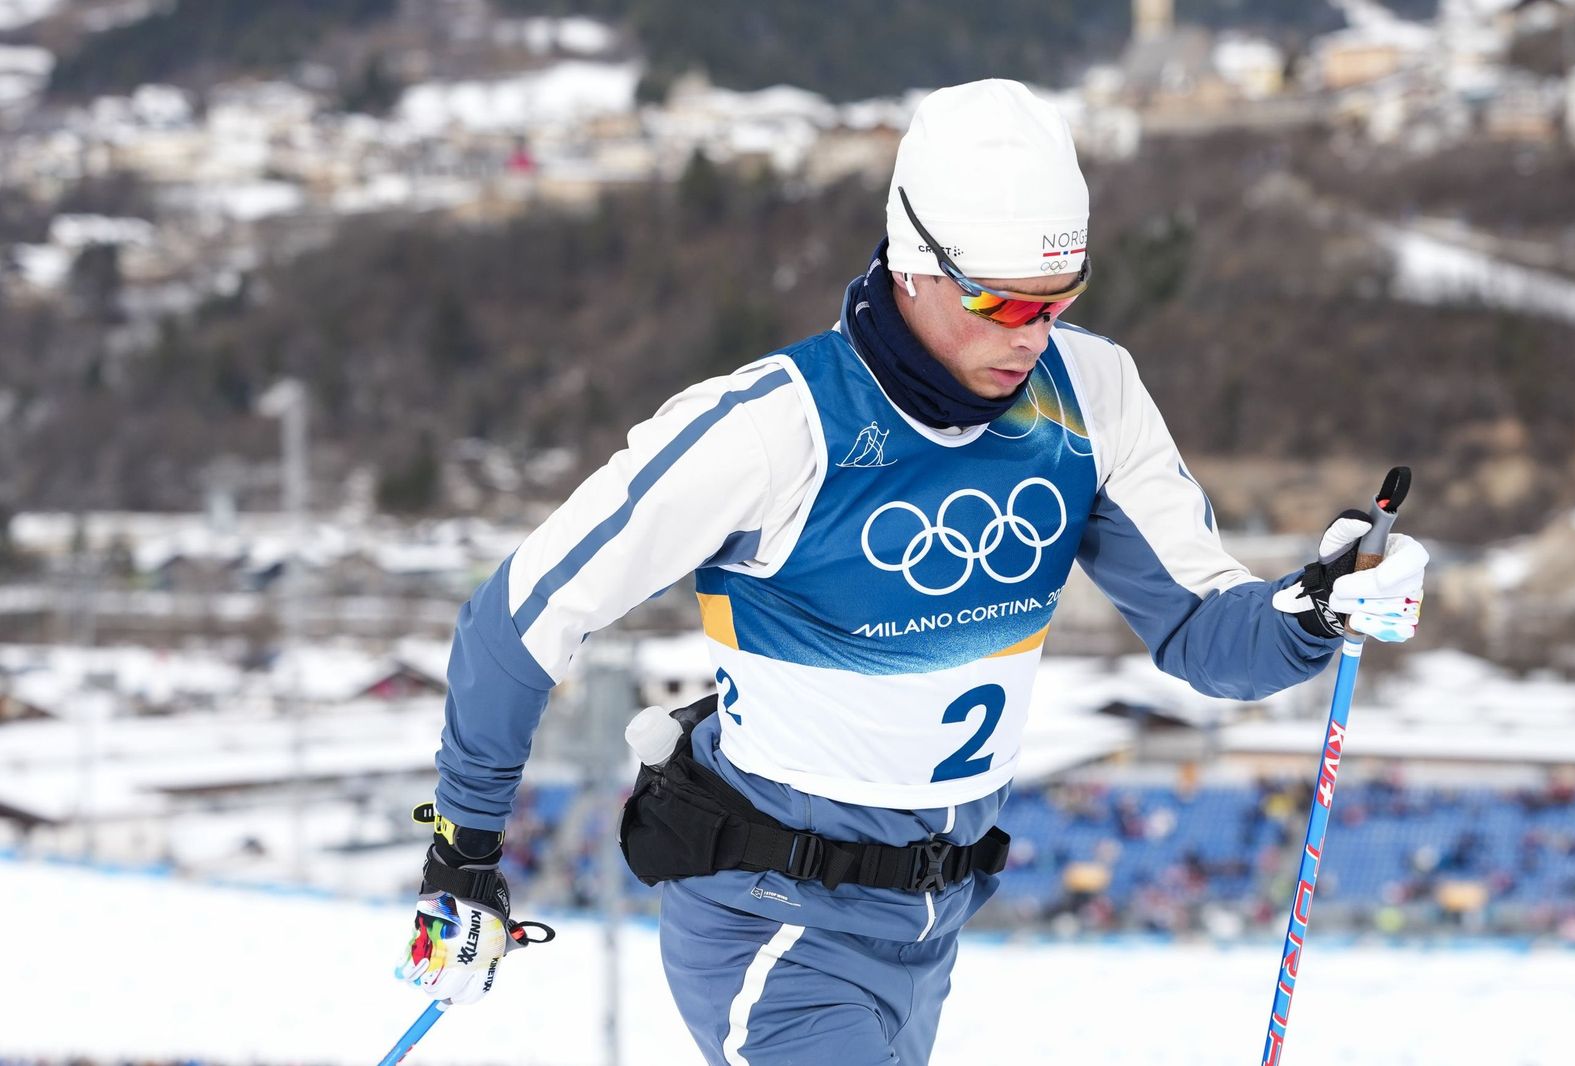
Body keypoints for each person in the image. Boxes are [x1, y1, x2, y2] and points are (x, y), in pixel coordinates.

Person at [394, 79, 1428, 1064]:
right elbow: (519, 616)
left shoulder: (1088, 395)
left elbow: (1208, 638)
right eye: (1000, 303)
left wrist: (1314, 608)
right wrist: (464, 858)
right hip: (771, 922)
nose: (1033, 334)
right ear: (911, 261)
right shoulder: (772, 429)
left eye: (1056, 299)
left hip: (930, 924)